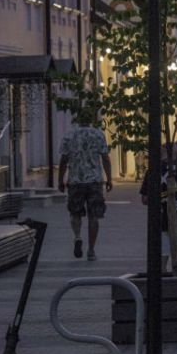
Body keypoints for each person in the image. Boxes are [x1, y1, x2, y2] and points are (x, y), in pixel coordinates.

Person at [57, 112, 113, 261]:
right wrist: (109, 179)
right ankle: (91, 250)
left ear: (76, 120)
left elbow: (63, 160)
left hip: (75, 181)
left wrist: (60, 180)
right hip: (94, 181)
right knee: (94, 216)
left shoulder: (69, 135)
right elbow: (105, 158)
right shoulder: (98, 134)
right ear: (91, 120)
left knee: (75, 213)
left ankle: (77, 237)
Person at [141, 142, 177, 273]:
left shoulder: (152, 170)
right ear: (175, 151)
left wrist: (160, 199)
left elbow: (145, 199)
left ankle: (162, 289)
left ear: (162, 151)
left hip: (159, 221)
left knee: (160, 260)